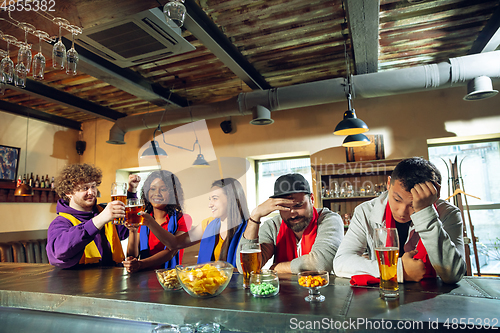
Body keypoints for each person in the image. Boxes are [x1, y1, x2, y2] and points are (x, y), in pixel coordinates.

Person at [333, 157, 466, 284]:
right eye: (397, 199)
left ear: (434, 197)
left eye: (413, 205)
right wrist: (397, 270)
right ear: (389, 184)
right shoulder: (365, 211)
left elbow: (453, 274)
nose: (402, 211)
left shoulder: (449, 214)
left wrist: (425, 212)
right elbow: (341, 262)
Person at [240, 173, 344, 274]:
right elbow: (246, 268)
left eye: (298, 205)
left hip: (322, 290)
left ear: (312, 199)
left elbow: (320, 264)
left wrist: (277, 268)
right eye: (284, 207)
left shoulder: (329, 220)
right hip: (283, 291)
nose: (292, 213)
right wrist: (255, 217)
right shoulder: (273, 226)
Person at [135, 178, 249, 269]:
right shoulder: (207, 224)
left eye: (215, 198)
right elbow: (174, 243)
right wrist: (150, 223)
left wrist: (217, 267)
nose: (210, 204)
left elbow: (252, 268)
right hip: (208, 287)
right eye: (210, 199)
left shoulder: (250, 228)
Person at [46, 163, 133, 268]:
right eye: (84, 188)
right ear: (68, 192)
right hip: (78, 282)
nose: (91, 192)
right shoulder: (61, 222)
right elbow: (59, 252)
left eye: (93, 186)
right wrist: (99, 220)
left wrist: (132, 191)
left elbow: (124, 232)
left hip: (114, 279)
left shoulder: (104, 211)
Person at [123, 170, 192, 273]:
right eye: (153, 189)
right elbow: (132, 255)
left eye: (163, 189)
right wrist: (133, 231)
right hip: (143, 279)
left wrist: (141, 264)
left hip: (170, 278)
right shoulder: (143, 219)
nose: (157, 194)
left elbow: (171, 251)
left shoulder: (183, 219)